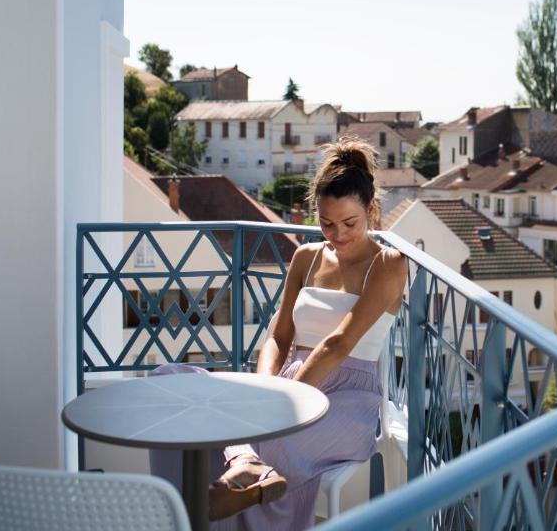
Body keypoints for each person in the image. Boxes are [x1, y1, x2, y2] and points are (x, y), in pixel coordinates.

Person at [150, 137, 406, 529]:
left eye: (349, 223)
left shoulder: (388, 264)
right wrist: (266, 388)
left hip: (348, 398)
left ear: (371, 210)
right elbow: (278, 337)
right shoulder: (307, 257)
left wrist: (283, 400)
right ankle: (223, 483)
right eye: (327, 223)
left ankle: (243, 474)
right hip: (286, 380)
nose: (337, 234)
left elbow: (340, 343)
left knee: (262, 433)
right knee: (169, 381)